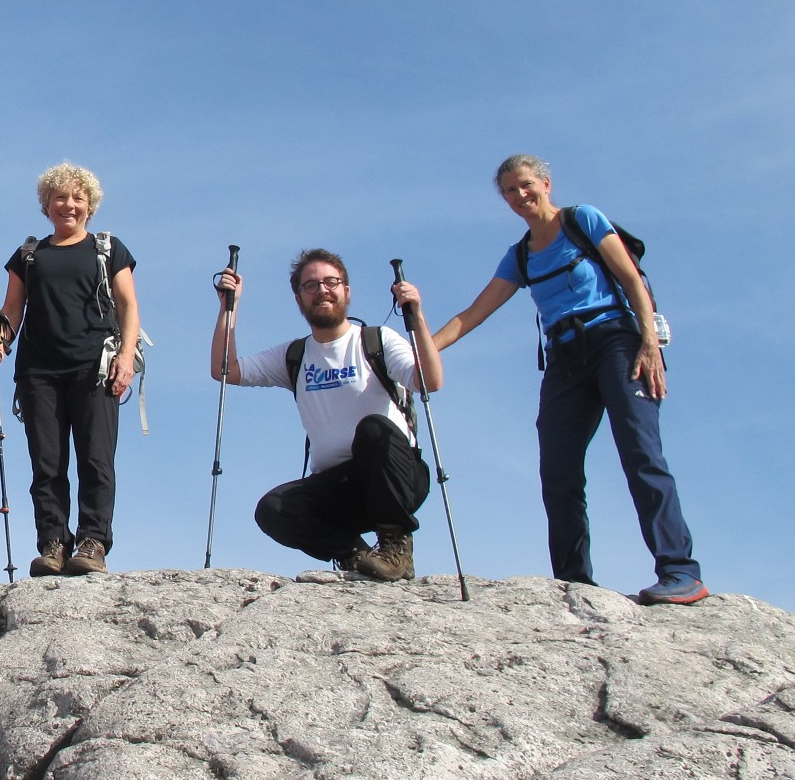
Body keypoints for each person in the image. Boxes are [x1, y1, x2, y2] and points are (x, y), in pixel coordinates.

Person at [430, 155, 703, 604]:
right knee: (558, 469)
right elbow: (473, 314)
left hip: (616, 340)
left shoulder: (583, 220)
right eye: (510, 192)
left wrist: (649, 341)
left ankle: (679, 570)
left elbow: (630, 278)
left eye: (525, 186)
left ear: (545, 184)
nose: (520, 197)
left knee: (641, 453)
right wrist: (420, 354)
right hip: (565, 359)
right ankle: (574, 581)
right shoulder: (520, 256)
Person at [210, 249, 443, 580]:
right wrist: (227, 309)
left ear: (347, 290)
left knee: (374, 429)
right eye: (310, 285)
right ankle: (353, 554)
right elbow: (225, 370)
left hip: (396, 478)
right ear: (299, 298)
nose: (322, 290)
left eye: (331, 282)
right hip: (339, 488)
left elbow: (429, 381)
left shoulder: (376, 341)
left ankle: (395, 544)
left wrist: (416, 316)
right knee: (272, 509)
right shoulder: (296, 355)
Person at [0, 163, 139, 576]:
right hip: (39, 371)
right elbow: (12, 310)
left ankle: (92, 541)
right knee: (46, 462)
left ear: (90, 205)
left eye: (78, 198)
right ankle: (53, 542)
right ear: (46, 204)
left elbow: (128, 306)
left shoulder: (108, 249)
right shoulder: (29, 255)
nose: (69, 205)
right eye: (60, 198)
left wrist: (126, 356)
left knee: (96, 458)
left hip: (95, 366)